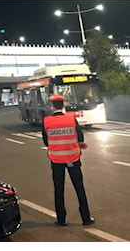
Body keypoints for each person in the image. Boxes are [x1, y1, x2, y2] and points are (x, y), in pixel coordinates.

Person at [42, 94, 94, 227]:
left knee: (58, 189)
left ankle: (61, 219)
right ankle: (86, 218)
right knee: (79, 187)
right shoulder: (71, 119)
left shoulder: (47, 121)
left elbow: (46, 141)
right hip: (73, 159)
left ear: (52, 106)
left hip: (57, 160)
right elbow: (80, 136)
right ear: (63, 105)